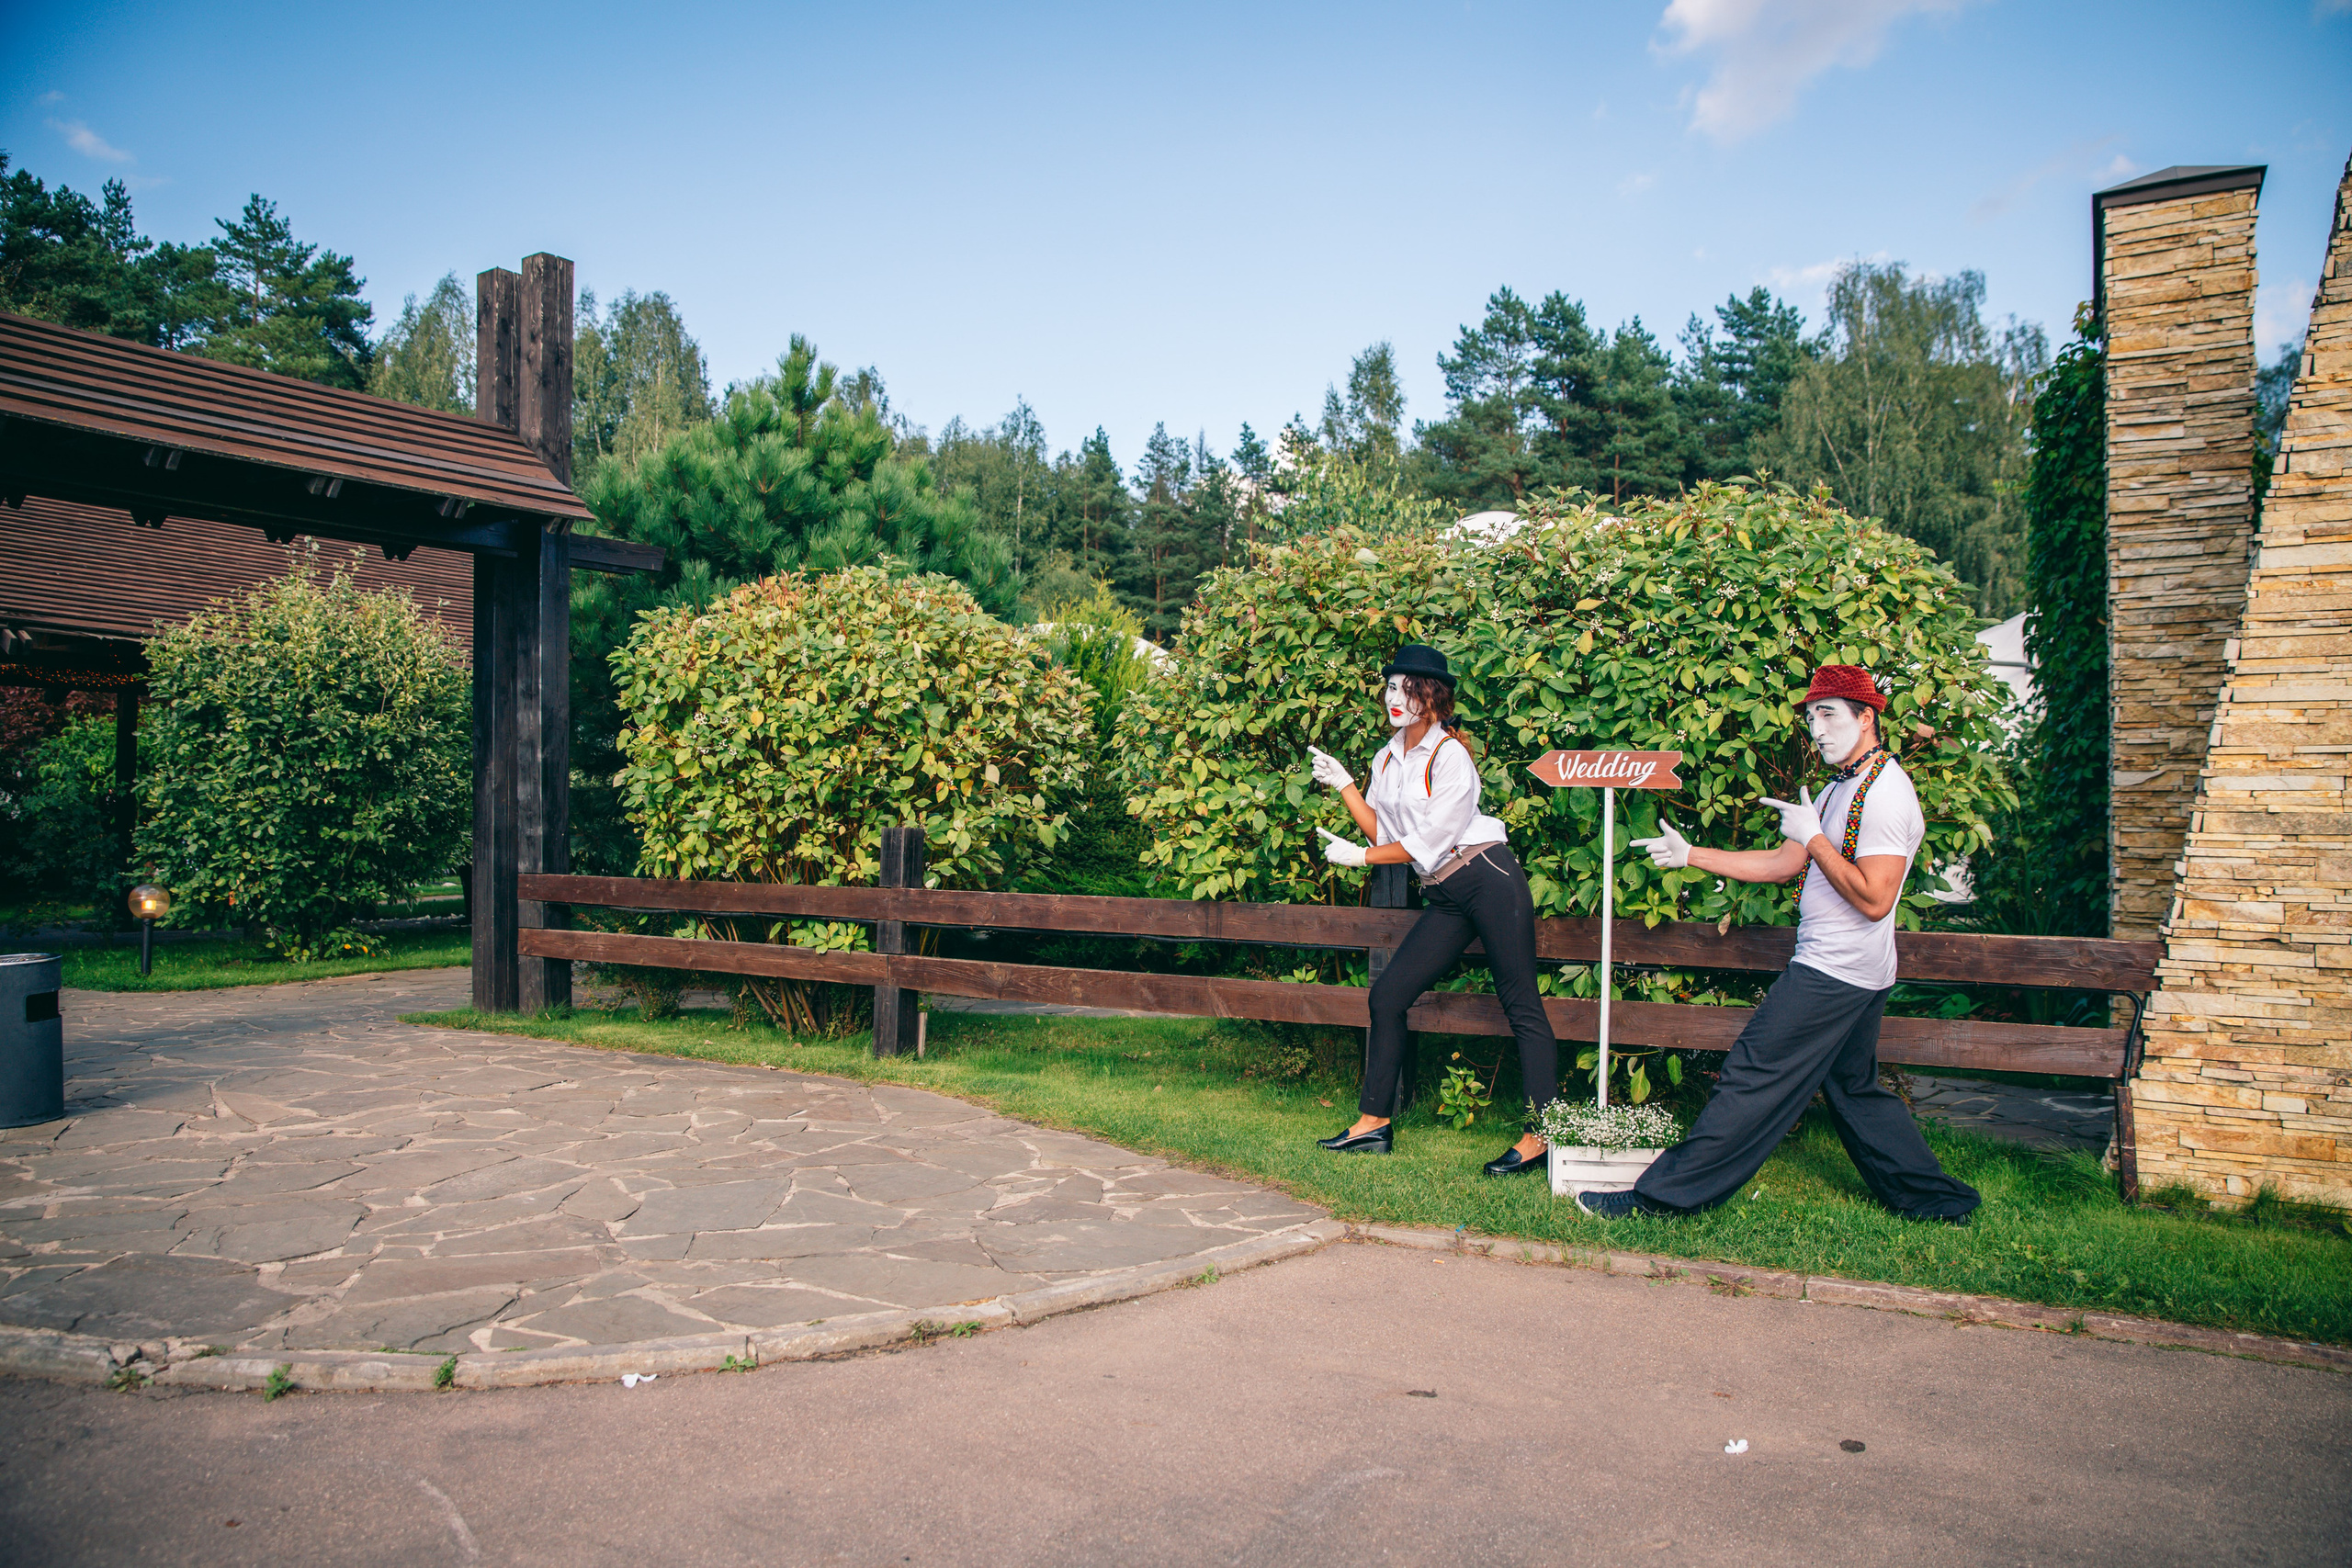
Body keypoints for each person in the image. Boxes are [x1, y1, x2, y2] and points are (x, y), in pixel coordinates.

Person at [1584, 664, 1981, 1224]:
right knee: (1854, 1087)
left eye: (1829, 714)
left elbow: (1874, 900)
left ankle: (1660, 1200)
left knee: (1753, 1073)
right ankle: (1937, 1201)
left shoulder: (1886, 795)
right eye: (1811, 716)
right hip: (1856, 969)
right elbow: (1784, 863)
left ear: (1866, 718)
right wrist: (1692, 856)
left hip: (1835, 969)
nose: (1816, 728)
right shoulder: (1843, 785)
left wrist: (1815, 836)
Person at [1307, 644, 1559, 1176]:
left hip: (1487, 879)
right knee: (1388, 995)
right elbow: (1387, 833)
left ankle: (1541, 1136)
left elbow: (1429, 840)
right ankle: (1373, 1124)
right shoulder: (1386, 756)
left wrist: (1363, 858)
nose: (1394, 697)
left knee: (1522, 1004)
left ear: (1433, 697)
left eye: (1408, 688)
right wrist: (1346, 785)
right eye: (1390, 686)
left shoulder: (1451, 757)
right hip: (1444, 892)